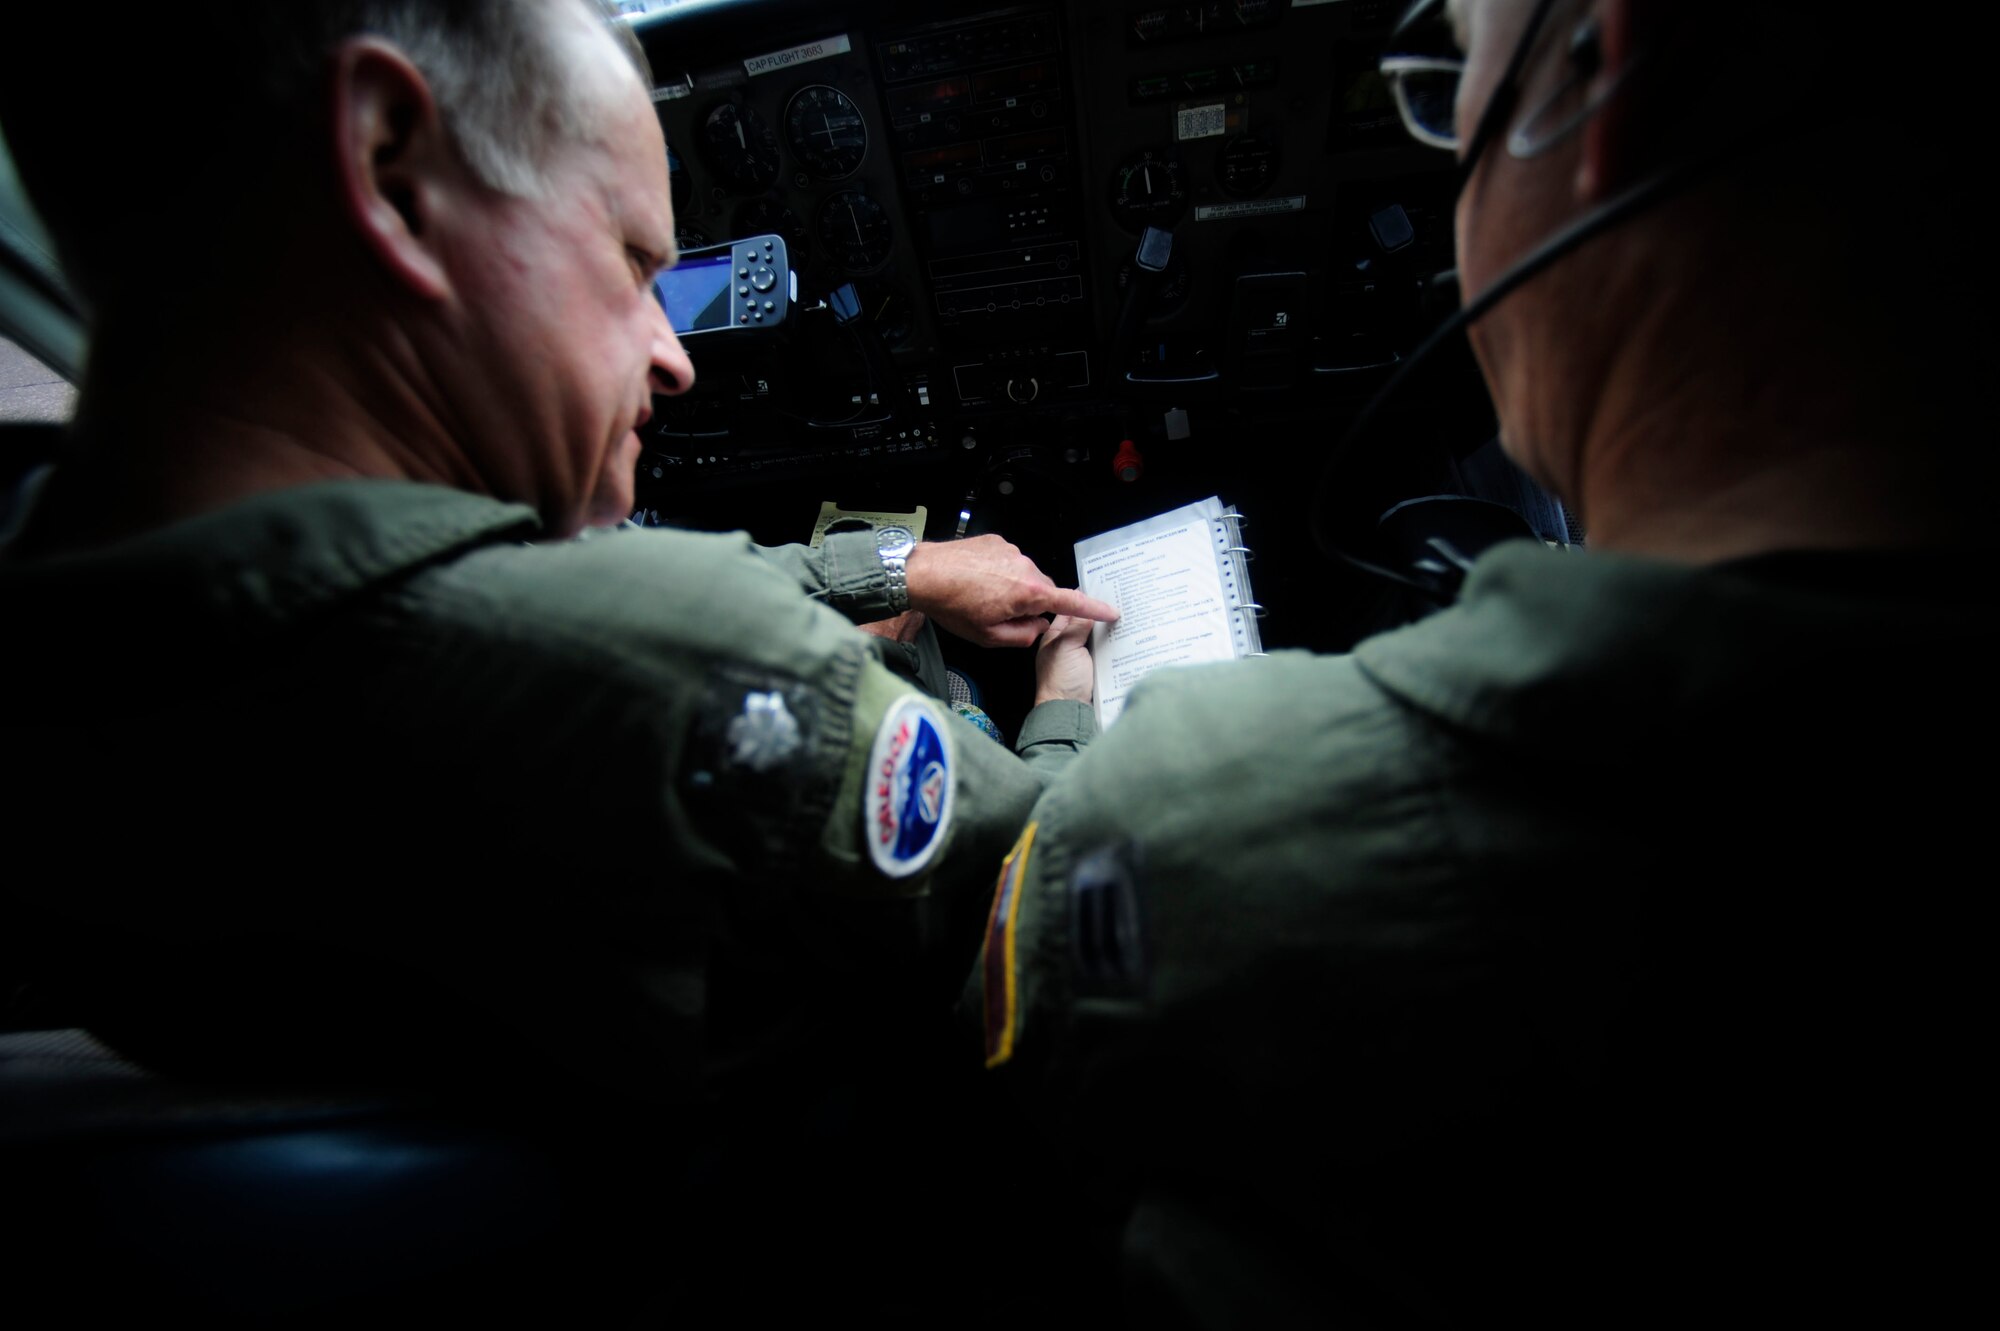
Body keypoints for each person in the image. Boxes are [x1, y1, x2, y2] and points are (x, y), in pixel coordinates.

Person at [967, 0, 1992, 1323]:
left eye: (1453, 85)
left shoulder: (1181, 799)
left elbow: (1001, 1057)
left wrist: (1061, 710)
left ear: (1596, 81)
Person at [0, 0, 1116, 1099]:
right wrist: (1065, 691)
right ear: (393, 174)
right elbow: (1064, 901)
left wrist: (898, 568)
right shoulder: (663, 663)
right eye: (631, 264)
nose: (673, 357)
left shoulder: (65, 633)